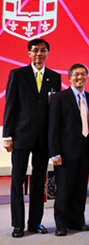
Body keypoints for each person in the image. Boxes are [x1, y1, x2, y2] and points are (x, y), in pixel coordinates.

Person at [3, 38, 60, 238]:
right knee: (17, 181)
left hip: (43, 138)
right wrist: (7, 135)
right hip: (21, 136)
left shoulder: (54, 77)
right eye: (35, 50)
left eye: (43, 51)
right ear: (29, 53)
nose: (39, 54)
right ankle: (18, 224)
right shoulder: (17, 74)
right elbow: (10, 105)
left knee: (39, 181)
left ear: (47, 53)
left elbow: (55, 110)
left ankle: (35, 223)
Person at [48, 64, 89, 236]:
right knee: (64, 190)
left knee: (80, 189)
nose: (80, 78)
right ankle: (61, 224)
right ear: (69, 77)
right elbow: (53, 127)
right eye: (76, 74)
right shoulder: (60, 98)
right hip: (65, 153)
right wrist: (55, 153)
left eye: (83, 74)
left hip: (85, 152)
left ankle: (77, 221)